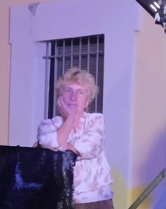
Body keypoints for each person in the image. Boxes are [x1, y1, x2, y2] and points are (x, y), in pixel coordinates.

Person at [37, 67, 114, 209]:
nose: (73, 97)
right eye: (68, 90)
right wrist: (70, 119)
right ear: (60, 97)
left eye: (80, 92)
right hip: (59, 200)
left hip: (97, 200)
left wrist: (62, 149)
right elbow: (53, 148)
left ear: (87, 102)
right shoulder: (47, 126)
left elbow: (89, 147)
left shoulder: (96, 120)